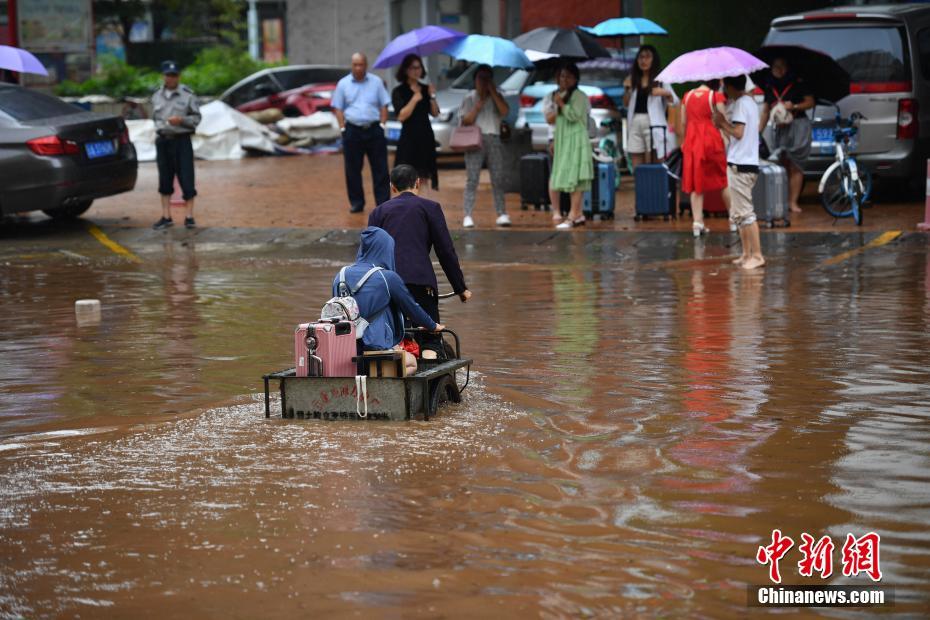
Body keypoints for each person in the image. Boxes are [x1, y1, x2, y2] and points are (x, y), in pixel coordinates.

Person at [369, 165, 471, 353]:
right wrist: (460, 288)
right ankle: (429, 376)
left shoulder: (378, 212)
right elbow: (445, 251)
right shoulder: (430, 208)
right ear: (418, 183)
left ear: (392, 187)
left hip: (386, 285)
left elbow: (369, 254)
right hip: (420, 283)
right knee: (429, 339)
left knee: (393, 338)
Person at [334, 227, 444, 375]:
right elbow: (411, 308)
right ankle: (394, 393)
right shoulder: (387, 277)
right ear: (385, 250)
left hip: (344, 348)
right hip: (375, 348)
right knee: (411, 362)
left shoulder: (340, 275)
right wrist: (432, 325)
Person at [714, 75, 765, 270]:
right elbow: (736, 137)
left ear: (729, 86)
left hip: (742, 165)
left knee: (746, 213)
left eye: (724, 86)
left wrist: (722, 122)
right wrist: (721, 124)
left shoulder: (742, 104)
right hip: (742, 162)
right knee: (739, 213)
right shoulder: (748, 103)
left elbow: (738, 133)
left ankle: (757, 255)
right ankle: (746, 253)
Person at [331, 53, 391, 214]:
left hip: (374, 130)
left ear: (366, 65)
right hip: (352, 130)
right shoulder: (343, 84)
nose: (358, 67)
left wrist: (382, 125)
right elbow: (338, 108)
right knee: (352, 170)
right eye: (355, 64)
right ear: (351, 65)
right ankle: (357, 202)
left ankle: (383, 203)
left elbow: (384, 104)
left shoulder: (376, 82)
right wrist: (343, 128)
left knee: (381, 169)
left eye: (361, 64)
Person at [458, 64, 511, 228]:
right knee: (472, 178)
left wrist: (493, 92)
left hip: (494, 138)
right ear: (475, 80)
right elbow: (465, 120)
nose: (484, 81)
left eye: (487, 78)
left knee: (498, 178)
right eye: (481, 78)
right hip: (474, 140)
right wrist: (478, 105)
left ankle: (502, 213)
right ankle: (467, 214)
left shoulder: (497, 96)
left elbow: (505, 112)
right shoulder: (469, 98)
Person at [759, 57, 814, 214]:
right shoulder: (769, 86)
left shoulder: (798, 82)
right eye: (776, 67)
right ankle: (782, 200)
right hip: (781, 129)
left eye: (782, 66)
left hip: (798, 126)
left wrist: (794, 105)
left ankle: (793, 202)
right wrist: (758, 132)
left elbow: (810, 102)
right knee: (782, 165)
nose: (779, 70)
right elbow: (765, 111)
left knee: (796, 165)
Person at [152, 60, 201, 230]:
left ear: (178, 76)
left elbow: (196, 119)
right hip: (163, 141)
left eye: (174, 75)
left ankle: (189, 217)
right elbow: (155, 119)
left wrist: (182, 120)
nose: (171, 78)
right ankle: (166, 217)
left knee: (187, 177)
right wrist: (161, 128)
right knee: (164, 178)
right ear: (163, 76)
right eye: (168, 75)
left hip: (182, 141)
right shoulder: (156, 95)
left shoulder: (188, 95)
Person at [547, 62, 594, 230]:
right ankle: (578, 213)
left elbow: (575, 115)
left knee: (576, 175)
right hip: (564, 139)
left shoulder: (579, 96)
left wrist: (561, 105)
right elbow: (551, 119)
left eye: (568, 76)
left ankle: (573, 215)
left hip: (576, 140)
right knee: (567, 174)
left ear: (575, 78)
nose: (564, 79)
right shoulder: (559, 95)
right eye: (562, 75)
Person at [680, 79, 728, 237]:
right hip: (711, 141)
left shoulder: (687, 96)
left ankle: (697, 222)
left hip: (692, 142)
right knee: (723, 180)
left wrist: (684, 141)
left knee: (696, 183)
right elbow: (724, 121)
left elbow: (683, 122)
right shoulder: (716, 96)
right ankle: (735, 220)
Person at [622, 45, 679, 165]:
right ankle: (640, 183)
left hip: (654, 122)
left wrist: (665, 93)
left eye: (648, 57)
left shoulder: (660, 80)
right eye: (641, 57)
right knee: (636, 154)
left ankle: (656, 183)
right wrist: (627, 89)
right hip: (635, 121)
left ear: (654, 59)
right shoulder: (633, 79)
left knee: (657, 156)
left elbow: (675, 101)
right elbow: (626, 104)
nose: (644, 61)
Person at [392, 54, 439, 190]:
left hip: (425, 136)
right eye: (413, 68)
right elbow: (401, 116)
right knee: (405, 178)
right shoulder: (399, 91)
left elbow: (435, 113)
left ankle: (420, 207)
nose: (417, 71)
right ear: (406, 70)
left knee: (423, 177)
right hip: (408, 139)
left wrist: (432, 96)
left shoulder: (426, 89)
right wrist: (414, 99)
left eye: (419, 68)